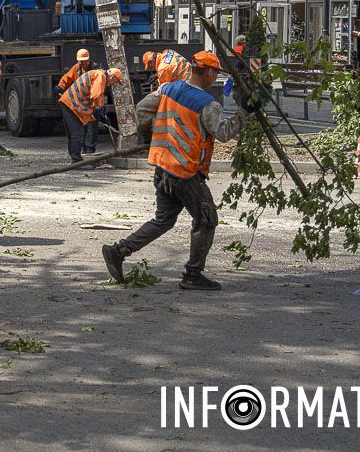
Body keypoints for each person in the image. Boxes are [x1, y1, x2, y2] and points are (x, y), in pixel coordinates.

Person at [101, 51, 249, 291]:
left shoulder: (167, 89)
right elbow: (223, 133)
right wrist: (245, 113)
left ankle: (118, 251)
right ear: (210, 73)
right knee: (206, 218)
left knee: (163, 220)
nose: (215, 78)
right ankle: (192, 275)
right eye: (215, 74)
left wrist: (153, 135)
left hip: (162, 165)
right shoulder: (207, 104)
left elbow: (141, 110)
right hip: (185, 171)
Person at [59, 66, 123, 163]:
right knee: (77, 133)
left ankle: (75, 157)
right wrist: (99, 108)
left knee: (74, 133)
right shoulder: (101, 76)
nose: (113, 84)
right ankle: (76, 160)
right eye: (115, 81)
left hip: (70, 103)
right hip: (72, 104)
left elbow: (98, 95)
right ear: (112, 77)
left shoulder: (98, 74)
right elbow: (96, 94)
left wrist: (100, 107)